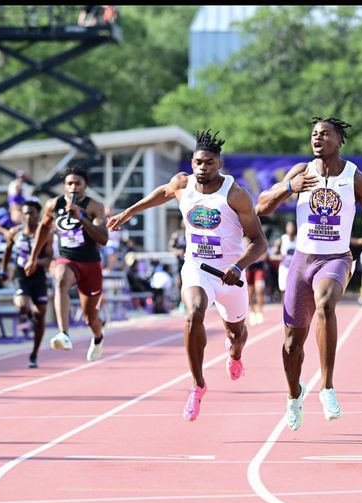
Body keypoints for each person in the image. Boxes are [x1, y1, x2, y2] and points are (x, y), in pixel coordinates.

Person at [107, 130, 267, 421]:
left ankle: (235, 354)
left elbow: (260, 242)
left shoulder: (235, 195)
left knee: (237, 334)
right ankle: (197, 385)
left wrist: (238, 267)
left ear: (219, 164)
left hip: (230, 273)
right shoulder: (183, 183)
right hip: (197, 267)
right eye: (197, 162)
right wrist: (130, 212)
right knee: (193, 313)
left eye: (207, 163)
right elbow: (162, 193)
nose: (201, 168)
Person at [255, 116, 362, 431]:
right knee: (291, 343)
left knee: (326, 301)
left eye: (325, 134)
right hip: (302, 262)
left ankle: (326, 387)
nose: (318, 138)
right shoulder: (301, 172)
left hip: (336, 258)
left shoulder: (357, 179)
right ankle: (293, 395)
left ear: (339, 140)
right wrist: (289, 188)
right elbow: (260, 207)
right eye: (314, 134)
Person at [24, 167, 108, 362]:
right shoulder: (53, 205)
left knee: (90, 317)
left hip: (90, 264)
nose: (73, 187)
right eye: (69, 183)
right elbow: (43, 230)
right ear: (64, 186)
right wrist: (33, 258)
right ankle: (64, 333)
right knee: (60, 279)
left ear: (85, 186)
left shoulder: (95, 207)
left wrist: (82, 218)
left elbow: (103, 238)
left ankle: (98, 337)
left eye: (78, 183)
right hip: (67, 259)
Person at [0, 200, 53, 368]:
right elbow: (7, 252)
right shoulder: (15, 232)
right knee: (22, 306)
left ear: (38, 215)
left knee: (41, 313)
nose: (28, 216)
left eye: (32, 212)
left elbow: (49, 258)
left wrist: (36, 262)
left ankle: (34, 353)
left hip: (38, 277)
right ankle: (29, 316)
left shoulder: (45, 234)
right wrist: (3, 270)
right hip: (21, 275)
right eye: (25, 212)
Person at [244, 236, 267, 325]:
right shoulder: (244, 240)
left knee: (259, 289)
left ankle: (260, 312)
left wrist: (258, 257)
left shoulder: (260, 236)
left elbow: (265, 253)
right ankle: (252, 311)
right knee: (250, 292)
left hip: (259, 268)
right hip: (249, 268)